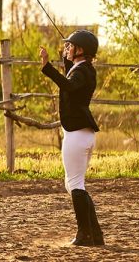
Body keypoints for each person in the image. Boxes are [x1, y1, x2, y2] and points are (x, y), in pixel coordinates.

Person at [39, 30, 104, 246]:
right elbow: (72, 84)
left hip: (76, 136)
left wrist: (47, 68)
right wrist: (65, 64)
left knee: (75, 184)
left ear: (80, 50)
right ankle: (94, 233)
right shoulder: (81, 69)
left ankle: (85, 234)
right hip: (80, 134)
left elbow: (68, 85)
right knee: (75, 184)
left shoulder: (82, 71)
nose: (66, 48)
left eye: (70, 46)